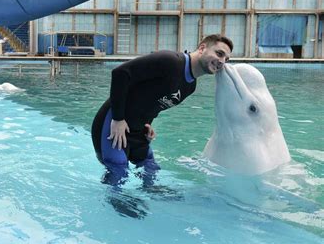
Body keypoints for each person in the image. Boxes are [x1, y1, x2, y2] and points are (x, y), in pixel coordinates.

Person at [91, 34, 233, 186]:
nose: (222, 61)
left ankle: (150, 200)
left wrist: (147, 123)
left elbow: (153, 100)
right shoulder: (170, 61)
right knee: (118, 172)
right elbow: (121, 73)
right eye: (219, 53)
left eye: (226, 59)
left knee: (150, 169)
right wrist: (118, 119)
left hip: (138, 131)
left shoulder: (190, 86)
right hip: (113, 126)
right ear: (202, 48)